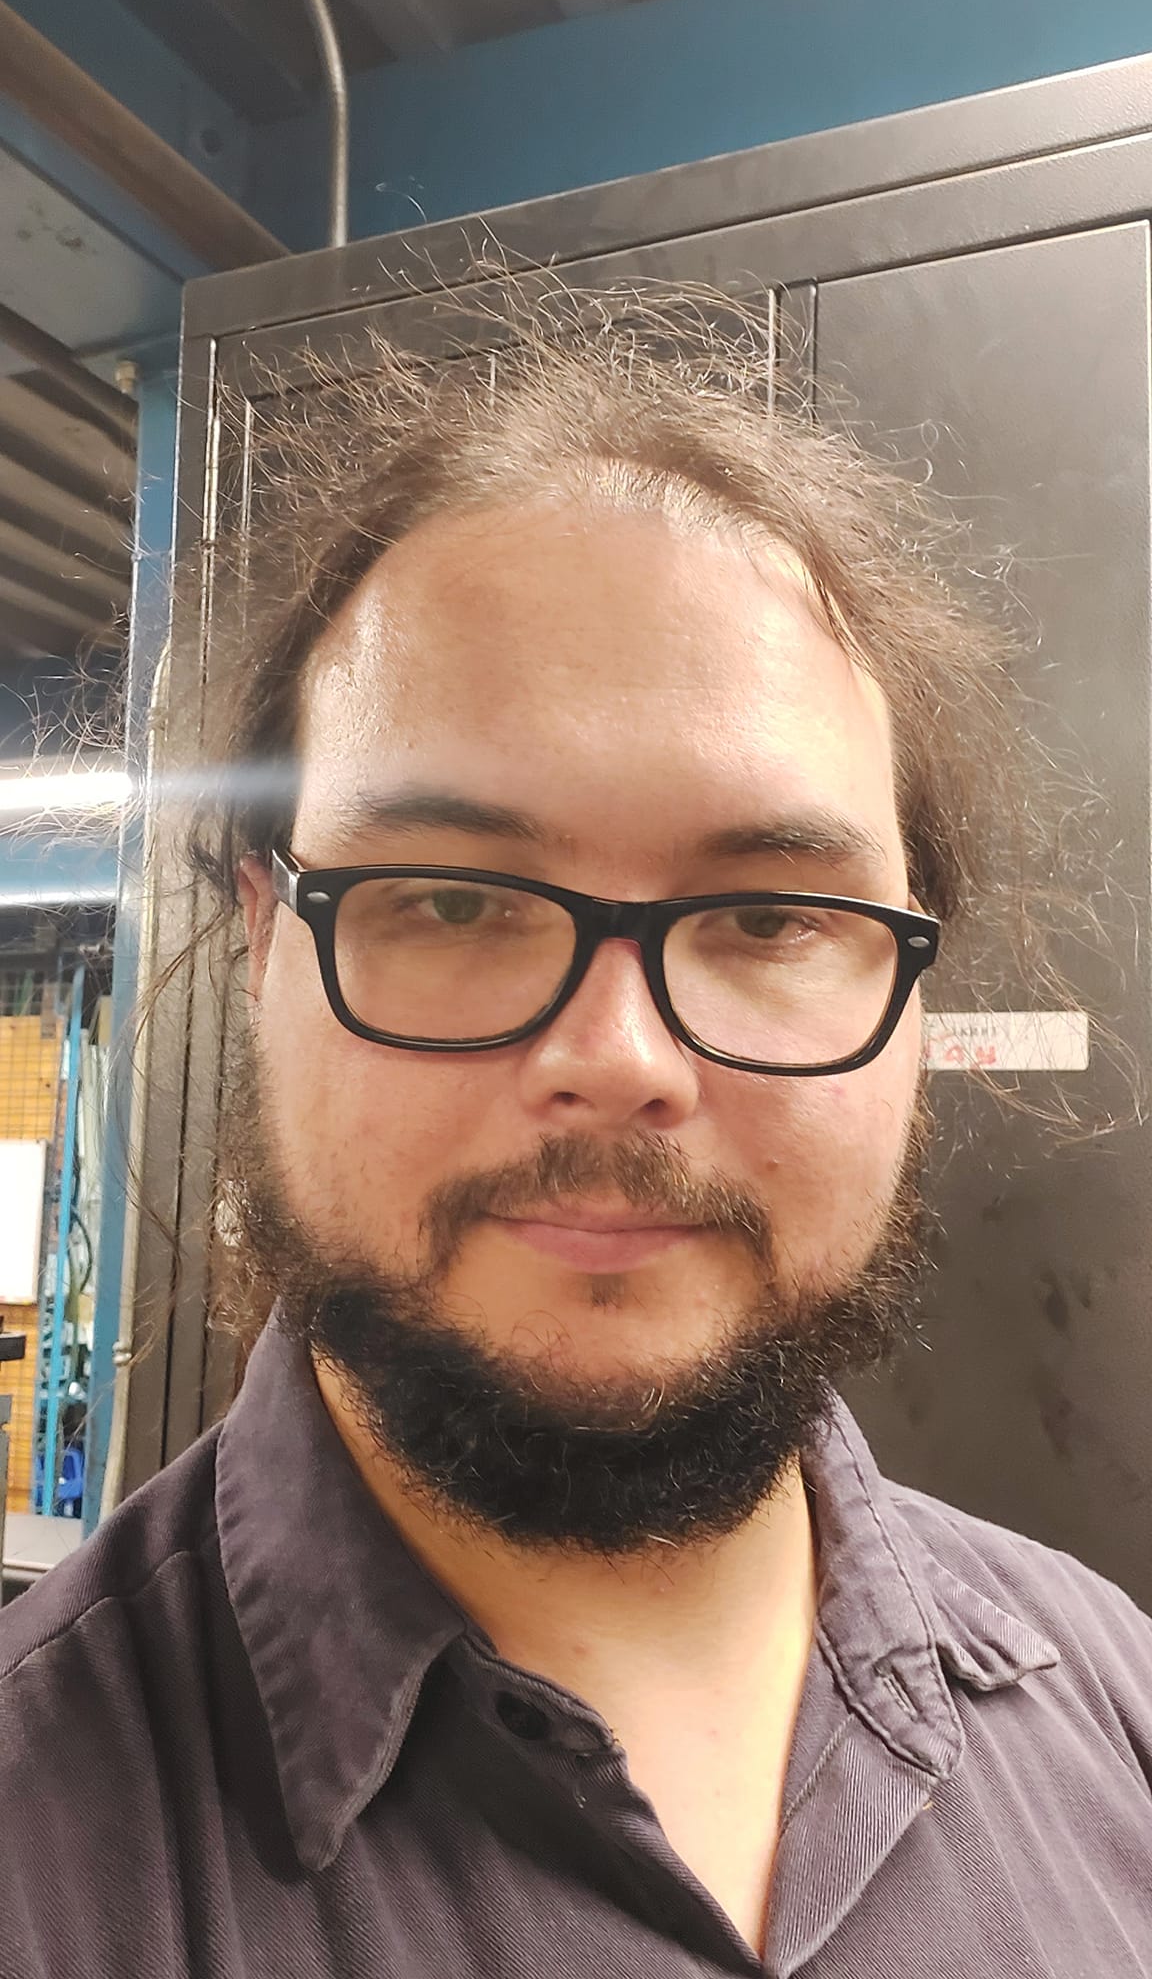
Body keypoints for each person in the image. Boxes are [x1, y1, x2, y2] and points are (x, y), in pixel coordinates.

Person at [2, 289, 1150, 1979]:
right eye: (456, 899)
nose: (614, 1064)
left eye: (768, 917)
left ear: (911, 991)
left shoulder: (1111, 1696)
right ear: (262, 949)